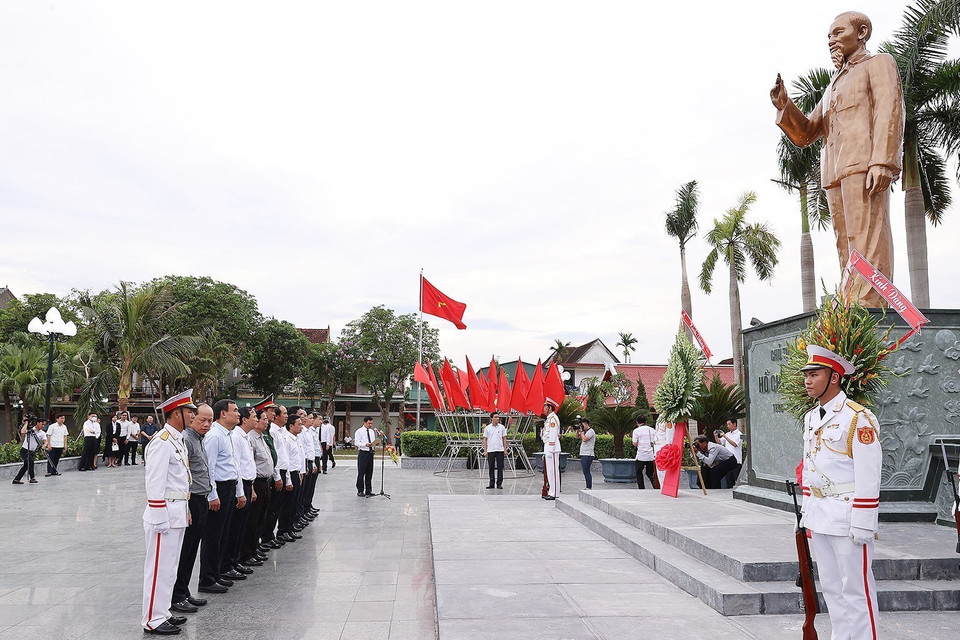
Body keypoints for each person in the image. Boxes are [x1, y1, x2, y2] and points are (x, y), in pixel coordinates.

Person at [771, 11, 904, 308]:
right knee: (846, 247)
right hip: (834, 174)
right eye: (828, 36)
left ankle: (870, 310)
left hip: (865, 165)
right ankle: (850, 306)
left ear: (862, 32)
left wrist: (883, 161)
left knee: (868, 241)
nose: (831, 40)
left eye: (837, 32)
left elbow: (889, 110)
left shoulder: (879, 64)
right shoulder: (832, 86)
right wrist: (784, 106)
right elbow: (806, 133)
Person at [799, 344, 881, 640]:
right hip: (820, 516)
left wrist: (863, 524)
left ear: (834, 377)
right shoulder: (811, 418)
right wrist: (807, 515)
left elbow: (869, 475)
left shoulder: (858, 418)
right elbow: (810, 467)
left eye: (814, 374)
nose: (807, 380)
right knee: (832, 588)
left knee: (857, 591)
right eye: (806, 374)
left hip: (848, 517)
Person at [141, 389, 196, 635]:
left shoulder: (177, 440)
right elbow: (154, 483)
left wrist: (185, 511)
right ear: (176, 414)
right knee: (158, 569)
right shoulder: (161, 441)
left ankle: (163, 612)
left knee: (170, 567)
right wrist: (159, 517)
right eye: (190, 412)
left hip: (177, 512)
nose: (193, 416)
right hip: (163, 515)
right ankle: (152, 619)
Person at [198, 399, 246, 593]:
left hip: (229, 487)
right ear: (223, 414)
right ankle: (207, 579)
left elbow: (233, 465)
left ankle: (216, 573)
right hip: (219, 489)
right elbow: (209, 467)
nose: (238, 414)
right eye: (234, 410)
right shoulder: (215, 436)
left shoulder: (227, 434)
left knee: (223, 535)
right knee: (213, 536)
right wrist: (212, 495)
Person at [172, 403, 214, 612]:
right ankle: (177, 594)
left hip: (201, 498)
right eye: (202, 420)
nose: (206, 424)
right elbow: (182, 475)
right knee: (185, 549)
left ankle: (184, 591)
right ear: (192, 419)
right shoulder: (187, 440)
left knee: (191, 549)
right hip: (191, 500)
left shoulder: (199, 439)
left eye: (209, 421)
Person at [241, 409, 278, 566]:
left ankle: (254, 548)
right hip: (256, 482)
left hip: (265, 481)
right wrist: (252, 487)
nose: (264, 421)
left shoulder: (262, 437)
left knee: (260, 518)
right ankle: (247, 552)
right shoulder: (250, 438)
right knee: (252, 520)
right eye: (261, 418)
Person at [13, 417, 46, 484]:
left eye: (44, 425)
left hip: (32, 452)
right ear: (38, 423)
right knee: (31, 463)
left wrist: (44, 445)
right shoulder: (31, 430)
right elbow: (22, 432)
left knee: (26, 466)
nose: (43, 426)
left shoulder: (42, 433)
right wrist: (26, 423)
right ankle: (32, 478)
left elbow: (45, 441)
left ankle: (16, 479)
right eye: (42, 424)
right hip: (25, 450)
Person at [541, 399, 561, 500]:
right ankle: (551, 491)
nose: (543, 408)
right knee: (549, 471)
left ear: (549, 408)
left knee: (553, 471)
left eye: (545, 406)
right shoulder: (549, 419)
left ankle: (555, 493)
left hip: (552, 447)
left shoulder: (553, 418)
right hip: (547, 445)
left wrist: (551, 448)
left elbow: (553, 434)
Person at [715, 418, 742, 488]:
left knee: (736, 480)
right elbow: (720, 442)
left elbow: (735, 444)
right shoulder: (727, 434)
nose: (728, 426)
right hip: (728, 461)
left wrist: (725, 437)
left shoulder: (739, 434)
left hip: (736, 461)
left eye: (729, 424)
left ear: (734, 424)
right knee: (729, 480)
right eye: (727, 425)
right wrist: (716, 436)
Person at [355, 417, 378, 497]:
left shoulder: (371, 432)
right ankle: (360, 490)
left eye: (371, 423)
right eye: (369, 423)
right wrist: (365, 444)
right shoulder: (359, 431)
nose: (370, 425)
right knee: (361, 472)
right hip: (363, 453)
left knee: (369, 472)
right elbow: (357, 442)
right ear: (364, 422)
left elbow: (373, 441)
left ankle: (369, 490)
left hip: (370, 453)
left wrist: (375, 444)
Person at [632, 415, 657, 490]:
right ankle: (655, 485)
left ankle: (641, 488)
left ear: (637, 422)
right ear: (646, 422)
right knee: (650, 473)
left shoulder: (636, 431)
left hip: (641, 455)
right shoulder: (652, 430)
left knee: (638, 472)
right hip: (651, 455)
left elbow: (634, 443)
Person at [482, 412, 507, 489]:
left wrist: (505, 449)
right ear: (491, 418)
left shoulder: (502, 427)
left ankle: (499, 483)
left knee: (500, 467)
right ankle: (491, 483)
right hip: (491, 450)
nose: (497, 419)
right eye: (495, 417)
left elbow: (504, 439)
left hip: (500, 449)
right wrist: (485, 450)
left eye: (498, 417)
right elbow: (485, 439)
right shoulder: (487, 428)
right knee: (491, 467)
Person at [577, 417, 596, 490]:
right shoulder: (584, 432)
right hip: (583, 454)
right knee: (585, 471)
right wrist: (578, 431)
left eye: (583, 425)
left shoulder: (591, 431)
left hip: (588, 454)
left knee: (586, 470)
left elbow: (585, 439)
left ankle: (589, 486)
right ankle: (588, 486)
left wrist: (581, 432)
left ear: (586, 424)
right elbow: (577, 437)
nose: (582, 427)